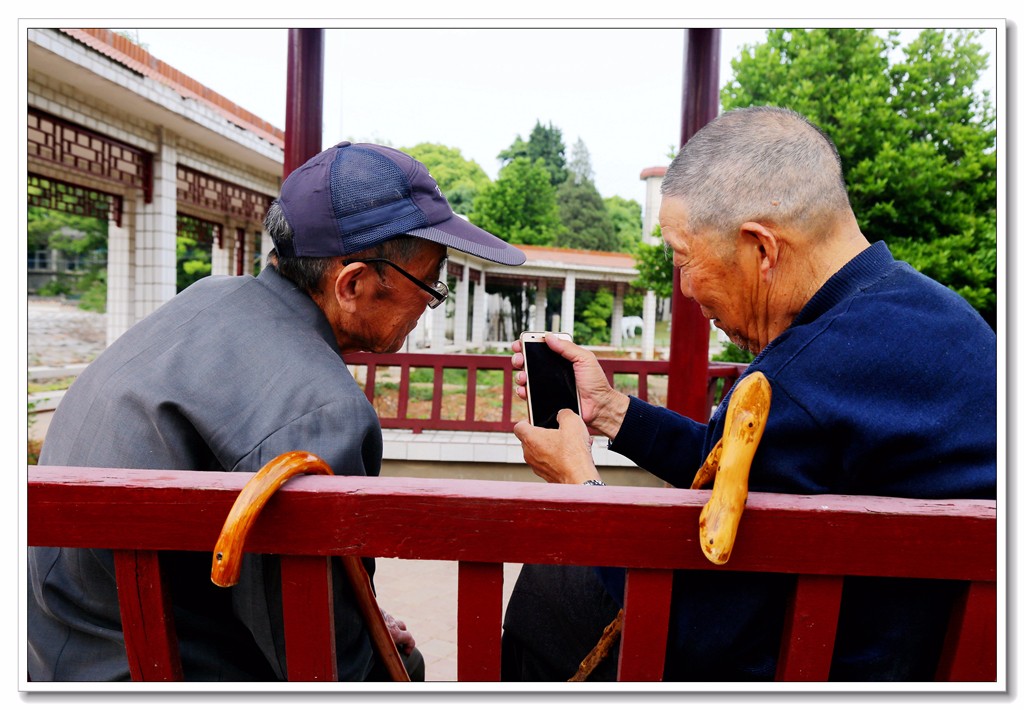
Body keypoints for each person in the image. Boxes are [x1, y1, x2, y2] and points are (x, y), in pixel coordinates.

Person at [501, 106, 997, 682]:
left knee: (553, 588)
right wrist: (611, 411)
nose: (685, 289)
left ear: (762, 249)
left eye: (682, 258)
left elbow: (696, 630)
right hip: (945, 663)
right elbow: (744, 467)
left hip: (819, 672)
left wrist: (580, 488)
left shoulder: (794, 382)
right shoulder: (950, 322)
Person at [28, 141, 526, 682]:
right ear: (353, 284)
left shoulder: (205, 298)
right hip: (160, 676)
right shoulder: (324, 413)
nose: (430, 302)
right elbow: (322, 663)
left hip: (58, 648)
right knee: (402, 666)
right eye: (429, 284)